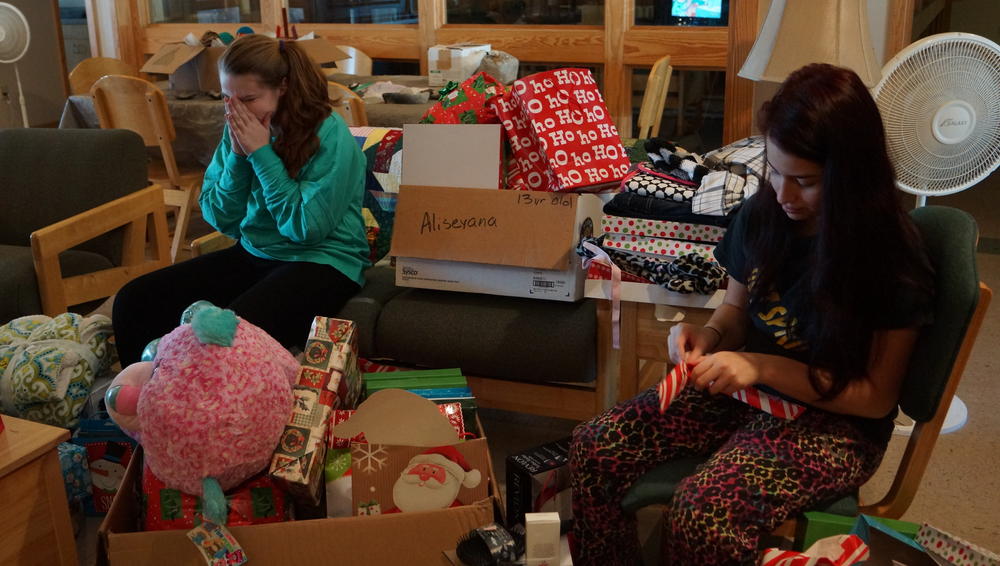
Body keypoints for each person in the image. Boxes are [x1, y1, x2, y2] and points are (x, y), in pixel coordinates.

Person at [570, 63, 935, 565]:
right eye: (776, 170)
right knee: (595, 446)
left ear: (851, 174)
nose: (784, 195)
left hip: (835, 424)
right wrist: (709, 334)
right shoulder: (763, 213)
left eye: (805, 181)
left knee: (703, 513)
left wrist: (763, 367)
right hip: (749, 394)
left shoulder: (889, 257)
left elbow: (874, 400)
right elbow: (736, 311)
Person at [112, 34, 369, 365]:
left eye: (248, 98)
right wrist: (237, 156)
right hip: (255, 253)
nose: (235, 110)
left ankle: (192, 403)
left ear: (284, 87)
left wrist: (261, 155)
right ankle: (143, 398)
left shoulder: (329, 132)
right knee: (134, 300)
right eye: (226, 98)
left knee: (226, 336)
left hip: (322, 261)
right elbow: (222, 218)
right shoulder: (238, 125)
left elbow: (307, 229)